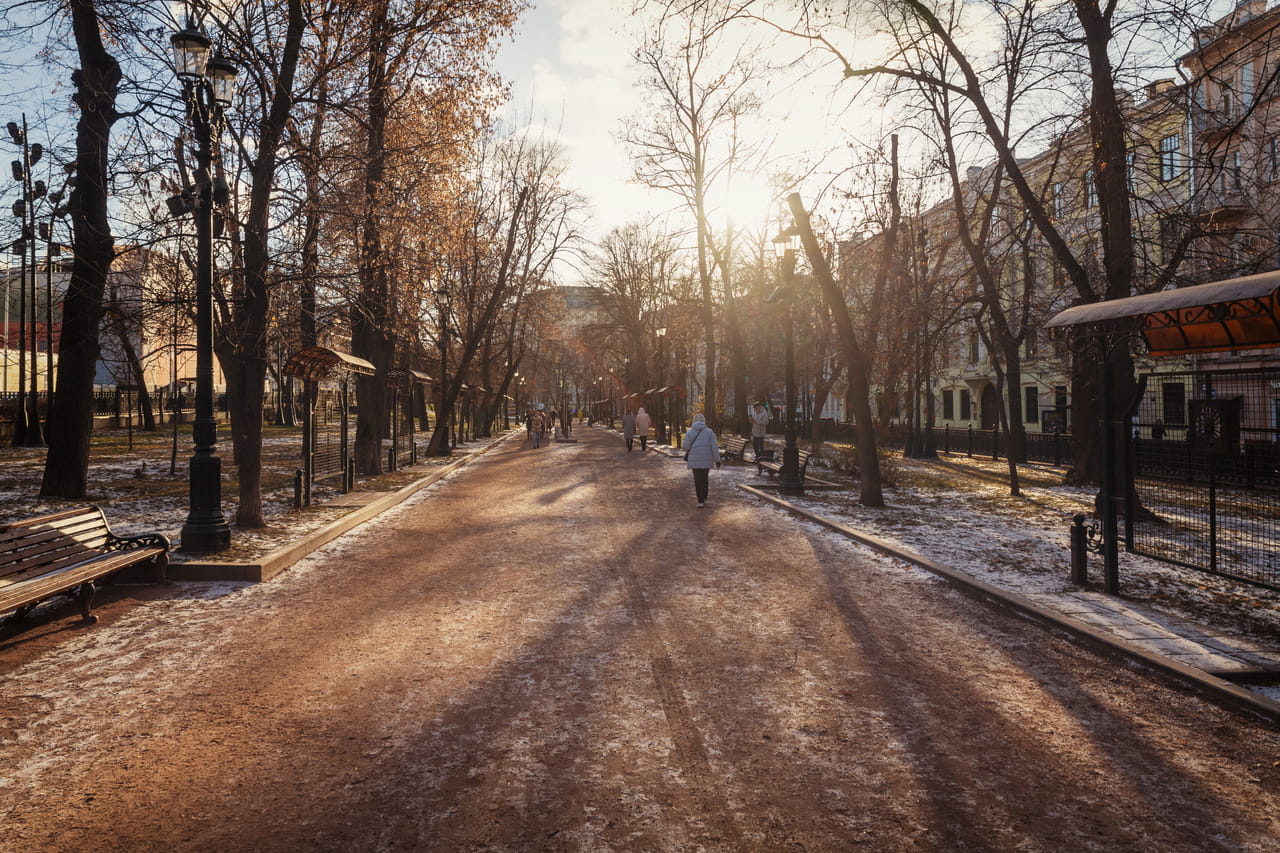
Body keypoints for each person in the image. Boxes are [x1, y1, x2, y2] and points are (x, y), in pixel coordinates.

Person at [682, 413, 721, 508]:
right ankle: (705, 494)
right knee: (704, 477)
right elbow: (714, 447)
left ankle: (700, 500)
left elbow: (685, 447)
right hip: (706, 460)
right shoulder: (709, 432)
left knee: (697, 479)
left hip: (695, 460)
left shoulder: (690, 432)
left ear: (694, 421)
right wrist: (717, 460)